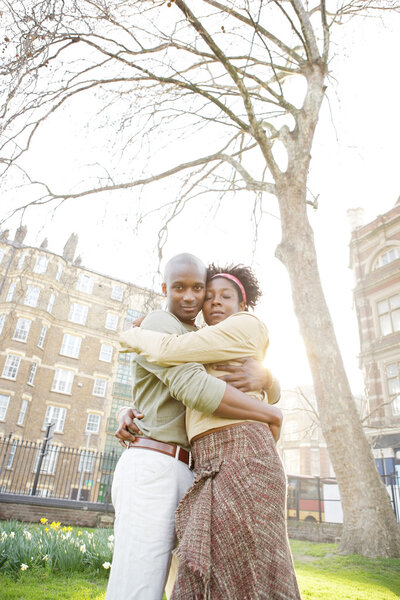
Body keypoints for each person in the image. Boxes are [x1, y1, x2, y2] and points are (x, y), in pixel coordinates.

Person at [105, 253, 282, 600]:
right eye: (179, 288)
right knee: (138, 585)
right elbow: (193, 388)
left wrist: (269, 380)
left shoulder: (203, 336)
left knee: (181, 584)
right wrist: (270, 413)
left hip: (194, 470)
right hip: (156, 466)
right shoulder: (158, 323)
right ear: (164, 289)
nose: (189, 297)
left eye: (197, 288)